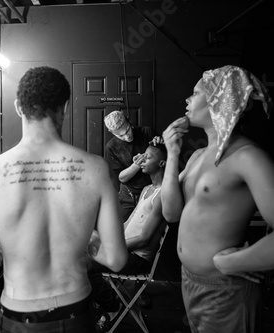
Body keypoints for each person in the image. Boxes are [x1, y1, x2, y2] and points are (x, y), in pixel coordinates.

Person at [0, 66, 128, 333]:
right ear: (65, 106)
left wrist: (6, 247)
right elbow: (117, 259)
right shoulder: (96, 168)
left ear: (18, 107)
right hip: (76, 309)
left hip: (20, 314)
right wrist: (85, 240)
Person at [160, 65, 274, 333]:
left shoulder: (248, 157)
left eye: (195, 92)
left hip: (226, 289)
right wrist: (172, 154)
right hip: (189, 280)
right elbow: (170, 213)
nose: (187, 100)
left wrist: (234, 262)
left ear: (220, 100)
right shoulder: (198, 156)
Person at [89, 141, 167, 330]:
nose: (142, 160)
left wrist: (112, 246)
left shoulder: (163, 194)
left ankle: (112, 306)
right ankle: (104, 303)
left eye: (148, 157)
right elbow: (127, 223)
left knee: (81, 264)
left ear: (162, 163)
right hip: (124, 249)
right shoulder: (147, 190)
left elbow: (144, 238)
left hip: (137, 258)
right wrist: (104, 237)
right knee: (85, 242)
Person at [104, 111, 155, 222]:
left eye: (127, 130)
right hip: (128, 195)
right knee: (121, 228)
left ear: (129, 120)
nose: (127, 137)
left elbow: (163, 157)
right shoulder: (111, 147)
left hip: (153, 190)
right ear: (111, 132)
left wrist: (160, 143)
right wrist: (135, 166)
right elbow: (121, 178)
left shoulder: (147, 132)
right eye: (121, 135)